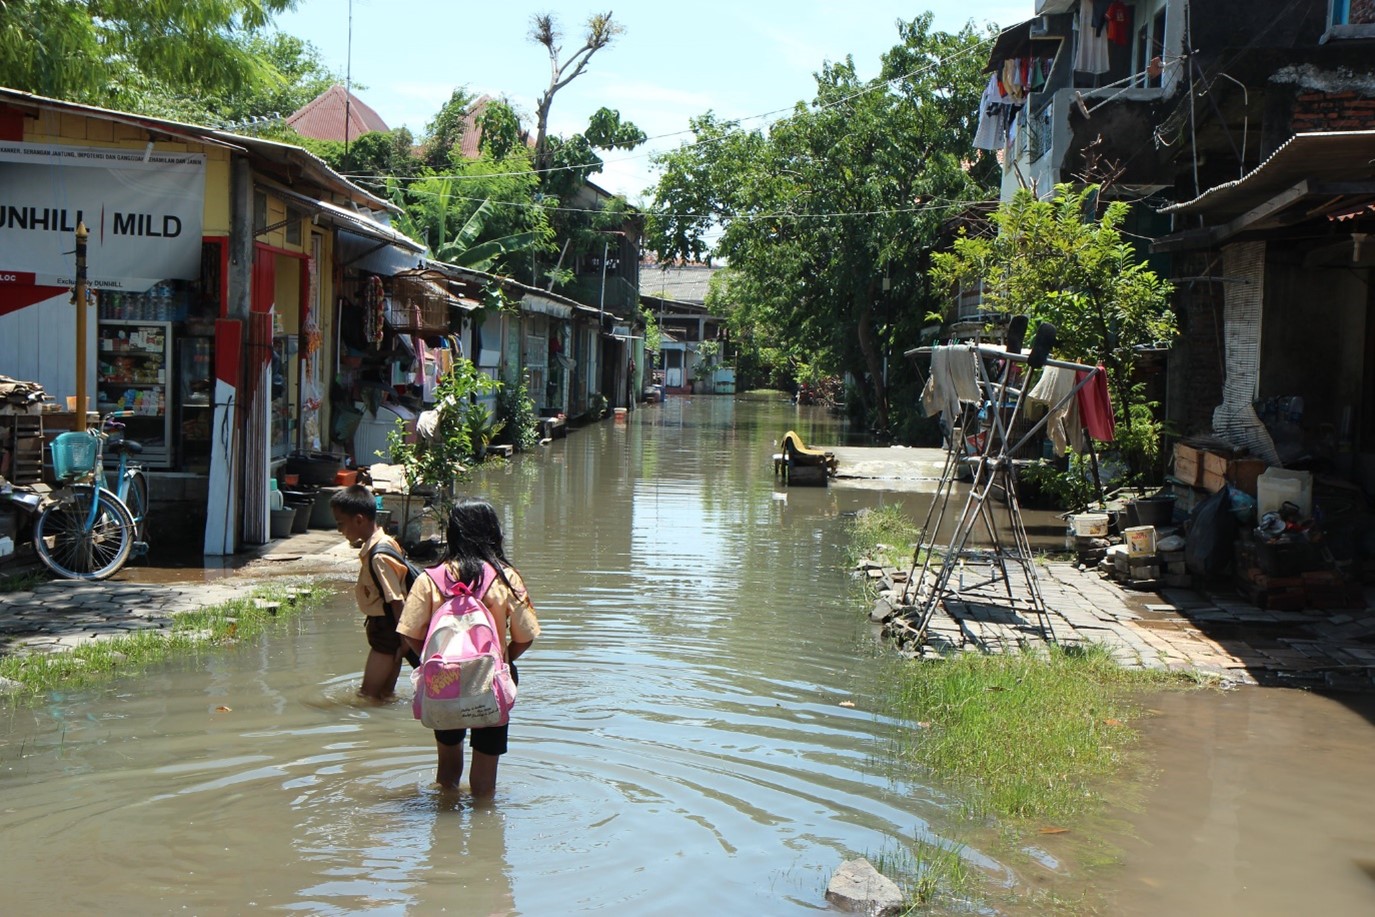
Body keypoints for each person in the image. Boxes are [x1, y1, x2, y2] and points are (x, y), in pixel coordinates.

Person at [397, 498, 540, 796]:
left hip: (444, 679)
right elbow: (526, 636)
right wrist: (501, 659)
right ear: (493, 532)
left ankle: (444, 824)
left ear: (453, 533)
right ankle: (484, 833)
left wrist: (432, 661)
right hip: (491, 681)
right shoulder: (505, 577)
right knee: (485, 781)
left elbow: (408, 633)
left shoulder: (429, 579)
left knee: (447, 769)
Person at [330, 484, 413, 700]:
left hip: (387, 633)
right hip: (392, 631)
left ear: (359, 520)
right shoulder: (387, 543)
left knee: (367, 695)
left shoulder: (378, 556)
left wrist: (405, 640)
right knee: (384, 695)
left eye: (341, 524)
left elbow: (396, 600)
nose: (340, 530)